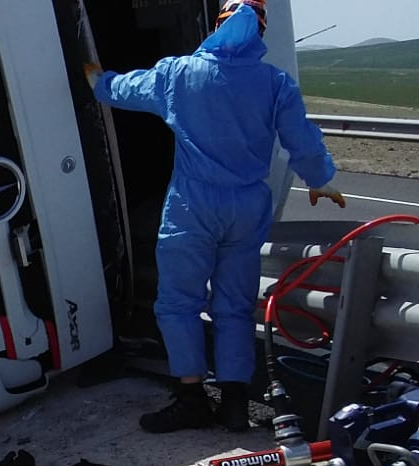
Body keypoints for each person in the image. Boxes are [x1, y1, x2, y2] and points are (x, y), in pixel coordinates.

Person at [86, 0, 346, 434]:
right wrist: (320, 179)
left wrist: (97, 79)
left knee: (178, 304)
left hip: (193, 205)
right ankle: (235, 405)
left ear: (217, 24)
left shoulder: (179, 73)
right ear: (260, 34)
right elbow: (301, 138)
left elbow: (123, 90)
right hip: (246, 209)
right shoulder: (275, 83)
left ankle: (190, 399)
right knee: (235, 308)